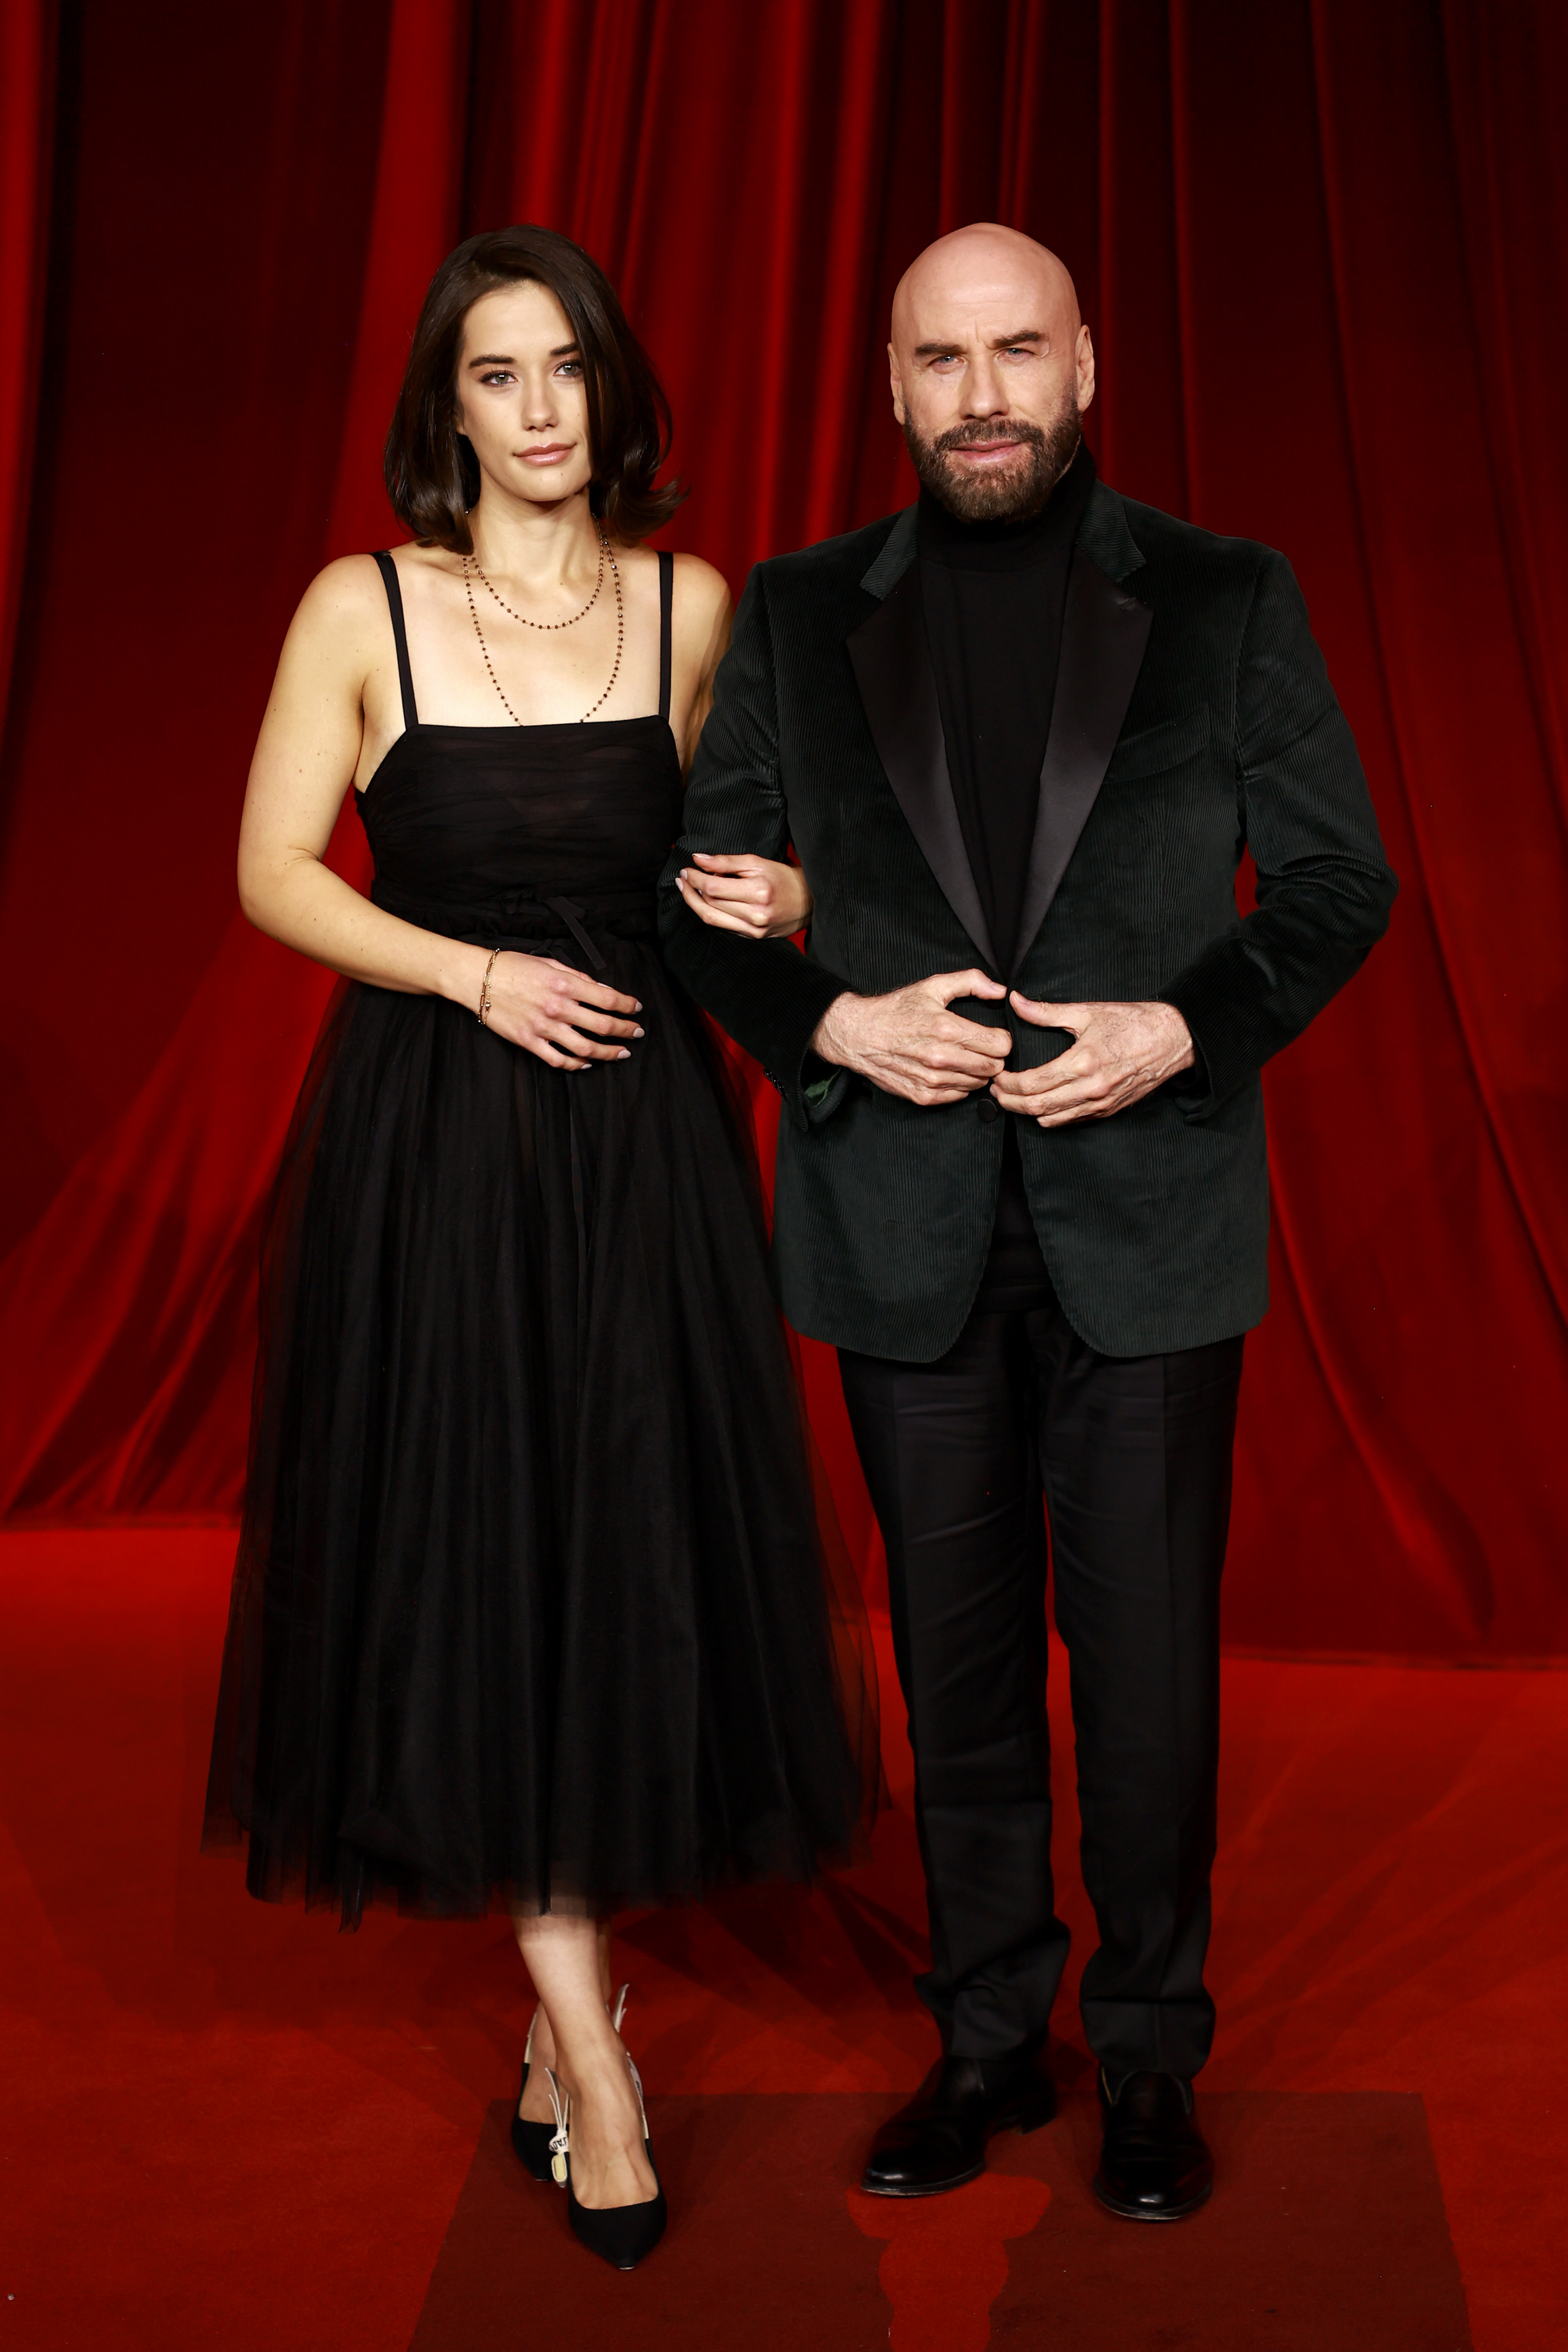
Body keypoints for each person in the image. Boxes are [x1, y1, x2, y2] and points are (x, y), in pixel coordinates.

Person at [664, 222, 1396, 2220]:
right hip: (895, 1216)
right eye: (939, 358)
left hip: (1143, 1216)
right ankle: (986, 2039)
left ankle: (1149, 2054)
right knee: (954, 1659)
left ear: (1085, 368)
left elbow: (1337, 887)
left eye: (1016, 353)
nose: (979, 394)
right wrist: (829, 1012)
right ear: (886, 386)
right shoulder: (804, 616)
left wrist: (1182, 1025)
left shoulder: (1229, 596)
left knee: (1146, 1667)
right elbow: (708, 893)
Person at [203, 224, 875, 2275]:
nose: (544, 408)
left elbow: (754, 873)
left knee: (617, 1558)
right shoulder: (360, 607)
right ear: (448, 409)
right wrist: (474, 978)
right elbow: (266, 876)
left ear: (612, 389)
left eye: (568, 367)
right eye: (499, 375)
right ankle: (594, 2065)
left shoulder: (691, 610)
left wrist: (776, 894)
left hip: (647, 1154)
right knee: (485, 1554)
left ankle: (549, 2009)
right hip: (438, 1148)